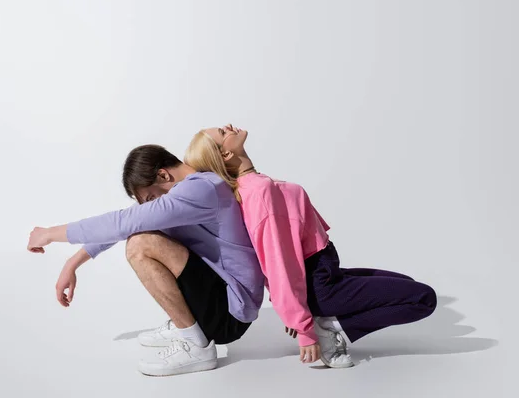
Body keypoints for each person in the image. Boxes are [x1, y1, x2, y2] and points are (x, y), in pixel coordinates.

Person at [184, 124, 437, 368]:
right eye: (222, 131)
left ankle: (329, 319)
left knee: (405, 283)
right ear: (226, 153)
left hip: (326, 271)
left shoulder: (255, 183)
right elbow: (278, 263)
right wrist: (303, 326)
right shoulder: (259, 192)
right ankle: (329, 326)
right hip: (318, 281)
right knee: (423, 299)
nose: (229, 126)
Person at [27, 144, 265, 376]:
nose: (151, 205)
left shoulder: (201, 189)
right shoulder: (187, 189)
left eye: (150, 198)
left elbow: (125, 222)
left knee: (141, 244)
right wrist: (74, 262)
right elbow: (129, 222)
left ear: (163, 174)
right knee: (142, 232)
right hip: (220, 293)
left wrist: (49, 234)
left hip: (232, 311)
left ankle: (197, 347)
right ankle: (189, 325)